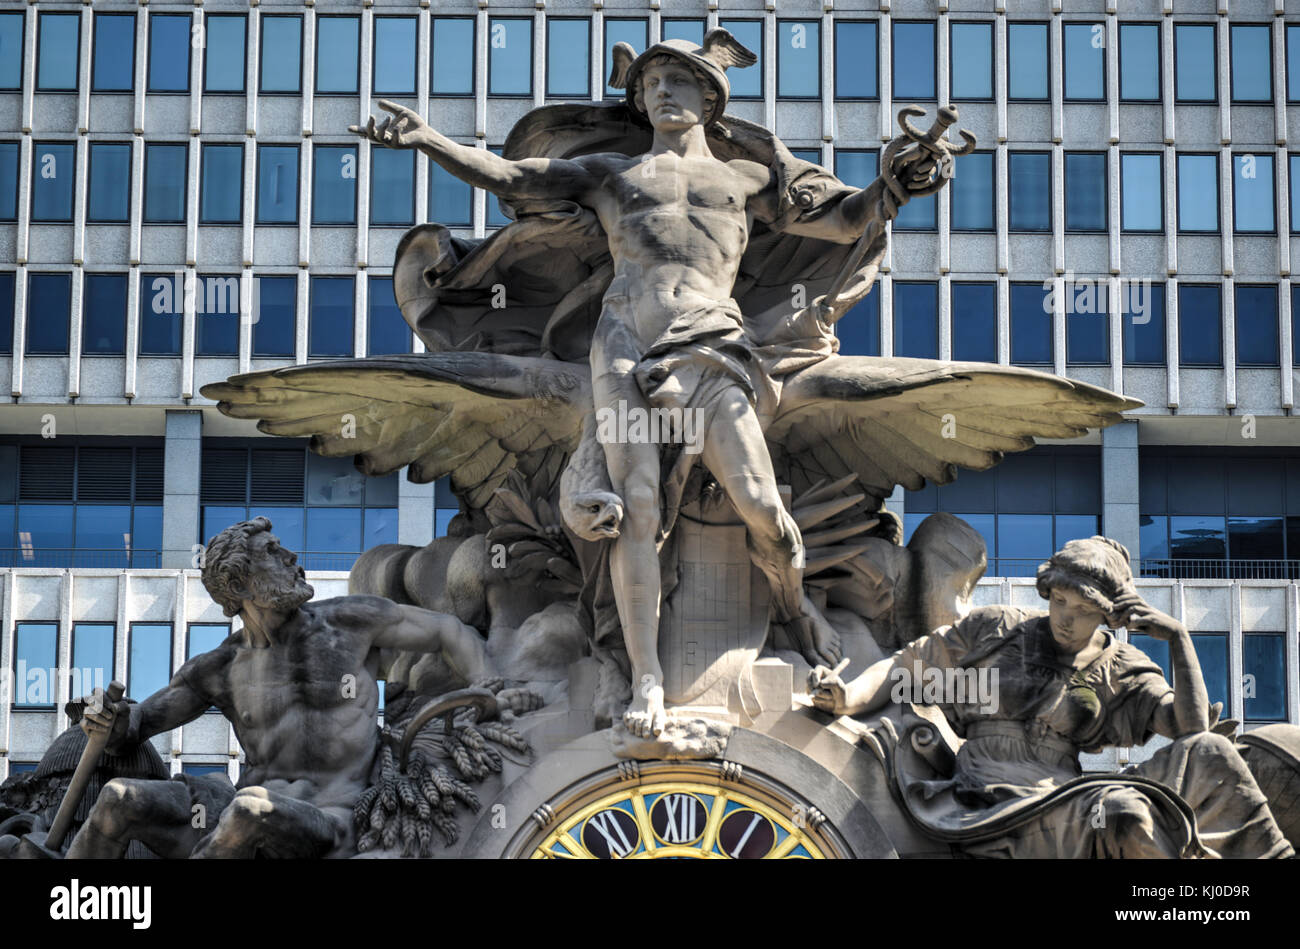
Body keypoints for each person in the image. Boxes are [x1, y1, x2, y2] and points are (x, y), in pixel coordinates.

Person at [352, 31, 931, 739]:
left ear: (710, 97)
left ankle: (793, 604)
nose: (661, 91)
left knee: (763, 509)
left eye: (678, 80)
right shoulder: (611, 176)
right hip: (624, 349)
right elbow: (511, 179)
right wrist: (427, 139)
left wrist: (895, 184)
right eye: (651, 81)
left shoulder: (746, 180)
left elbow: (845, 220)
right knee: (635, 510)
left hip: (714, 347)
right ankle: (647, 676)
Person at [809, 536, 1294, 858]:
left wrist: (1178, 638)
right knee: (1126, 814)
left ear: (1111, 615)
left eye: (1083, 610)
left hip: (1067, 793)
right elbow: (905, 665)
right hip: (990, 799)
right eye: (1058, 600)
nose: (1065, 617)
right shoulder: (996, 627)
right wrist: (847, 696)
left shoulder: (1120, 667)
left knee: (1213, 751)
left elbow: (1192, 733)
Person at [66, 517, 500, 858]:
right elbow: (137, 726)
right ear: (239, 586)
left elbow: (448, 632)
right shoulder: (218, 667)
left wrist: (491, 686)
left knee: (249, 809)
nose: (293, 556)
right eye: (274, 553)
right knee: (118, 797)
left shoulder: (349, 622)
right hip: (229, 820)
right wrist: (110, 720)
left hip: (332, 820)